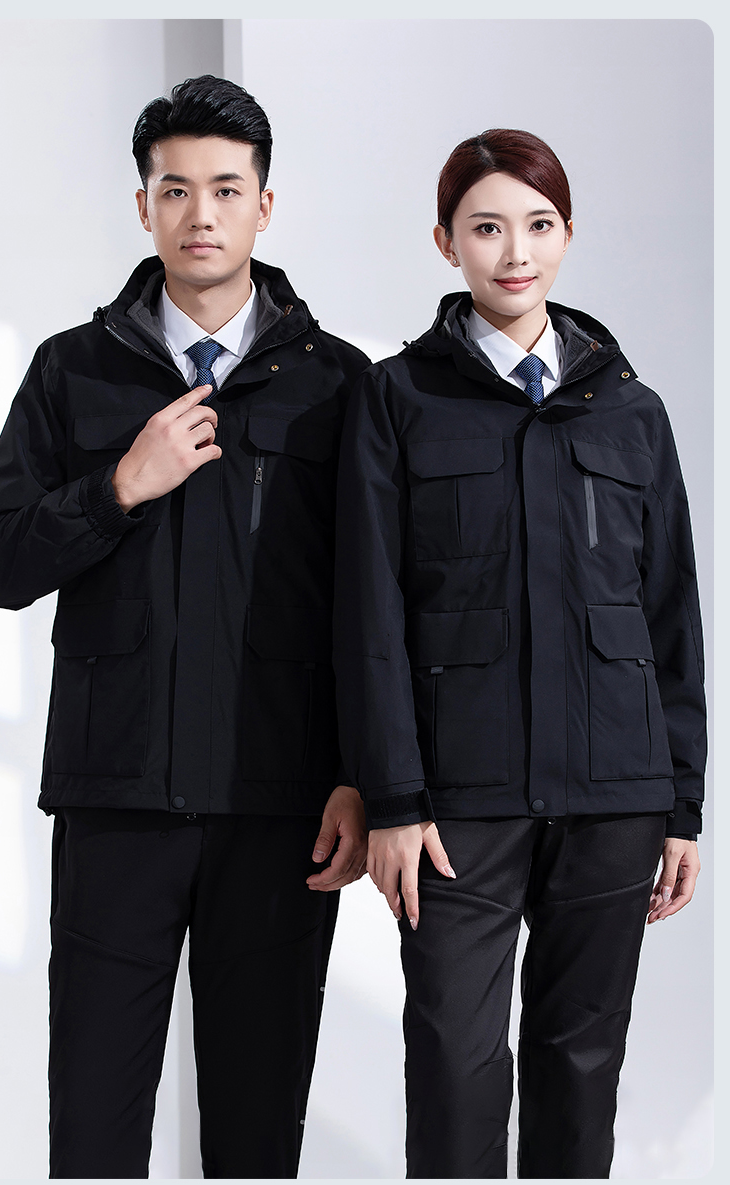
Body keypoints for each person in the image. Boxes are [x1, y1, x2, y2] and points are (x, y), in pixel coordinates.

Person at [0, 74, 369, 1180]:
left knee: (254, 1136)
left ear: (265, 207)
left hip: (281, 808)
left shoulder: (338, 386)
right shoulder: (72, 369)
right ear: (142, 206)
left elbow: (371, 608)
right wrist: (118, 488)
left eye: (226, 190)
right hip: (116, 802)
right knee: (93, 1134)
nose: (200, 215)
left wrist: (359, 777)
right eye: (175, 190)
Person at [333, 128, 705, 1179]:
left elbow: (671, 615)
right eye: (486, 227)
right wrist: (393, 798)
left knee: (580, 1066)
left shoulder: (631, 413)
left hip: (613, 795)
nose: (515, 252)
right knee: (454, 1063)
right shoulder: (398, 399)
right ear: (445, 241)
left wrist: (680, 803)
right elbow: (368, 615)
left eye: (537, 225)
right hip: (457, 807)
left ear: (567, 234)